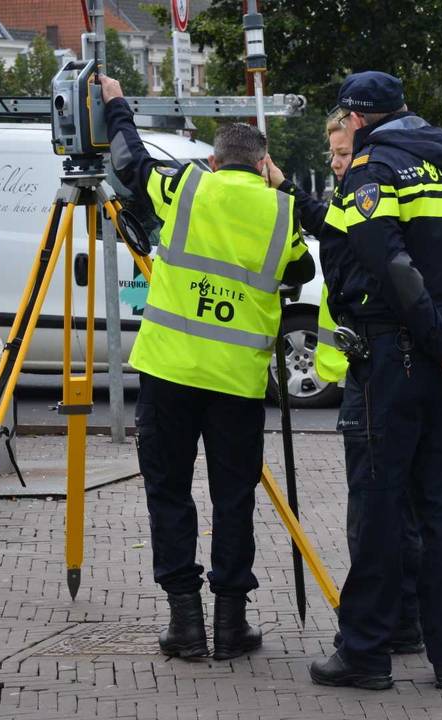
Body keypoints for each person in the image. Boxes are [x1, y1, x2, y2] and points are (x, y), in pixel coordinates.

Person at [99, 74, 316, 661]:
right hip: (236, 384)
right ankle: (230, 625)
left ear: (215, 161)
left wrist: (117, 105)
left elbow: (131, 163)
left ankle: (185, 624)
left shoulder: (189, 187)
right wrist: (279, 188)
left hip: (169, 372)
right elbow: (298, 271)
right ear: (263, 165)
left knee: (169, 492)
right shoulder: (282, 211)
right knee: (233, 499)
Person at [308, 71, 442, 691]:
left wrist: (441, 342)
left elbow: (390, 267)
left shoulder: (373, 172)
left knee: (379, 506)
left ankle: (366, 653)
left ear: (356, 120)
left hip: (394, 361)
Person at [264, 108, 425, 655]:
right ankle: (406, 621)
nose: (336, 164)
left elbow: (341, 239)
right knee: (397, 504)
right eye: (331, 154)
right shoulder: (355, 193)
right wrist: (286, 186)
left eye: (342, 152)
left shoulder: (371, 195)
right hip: (364, 369)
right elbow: (326, 223)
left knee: (377, 506)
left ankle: (385, 630)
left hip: (376, 371)